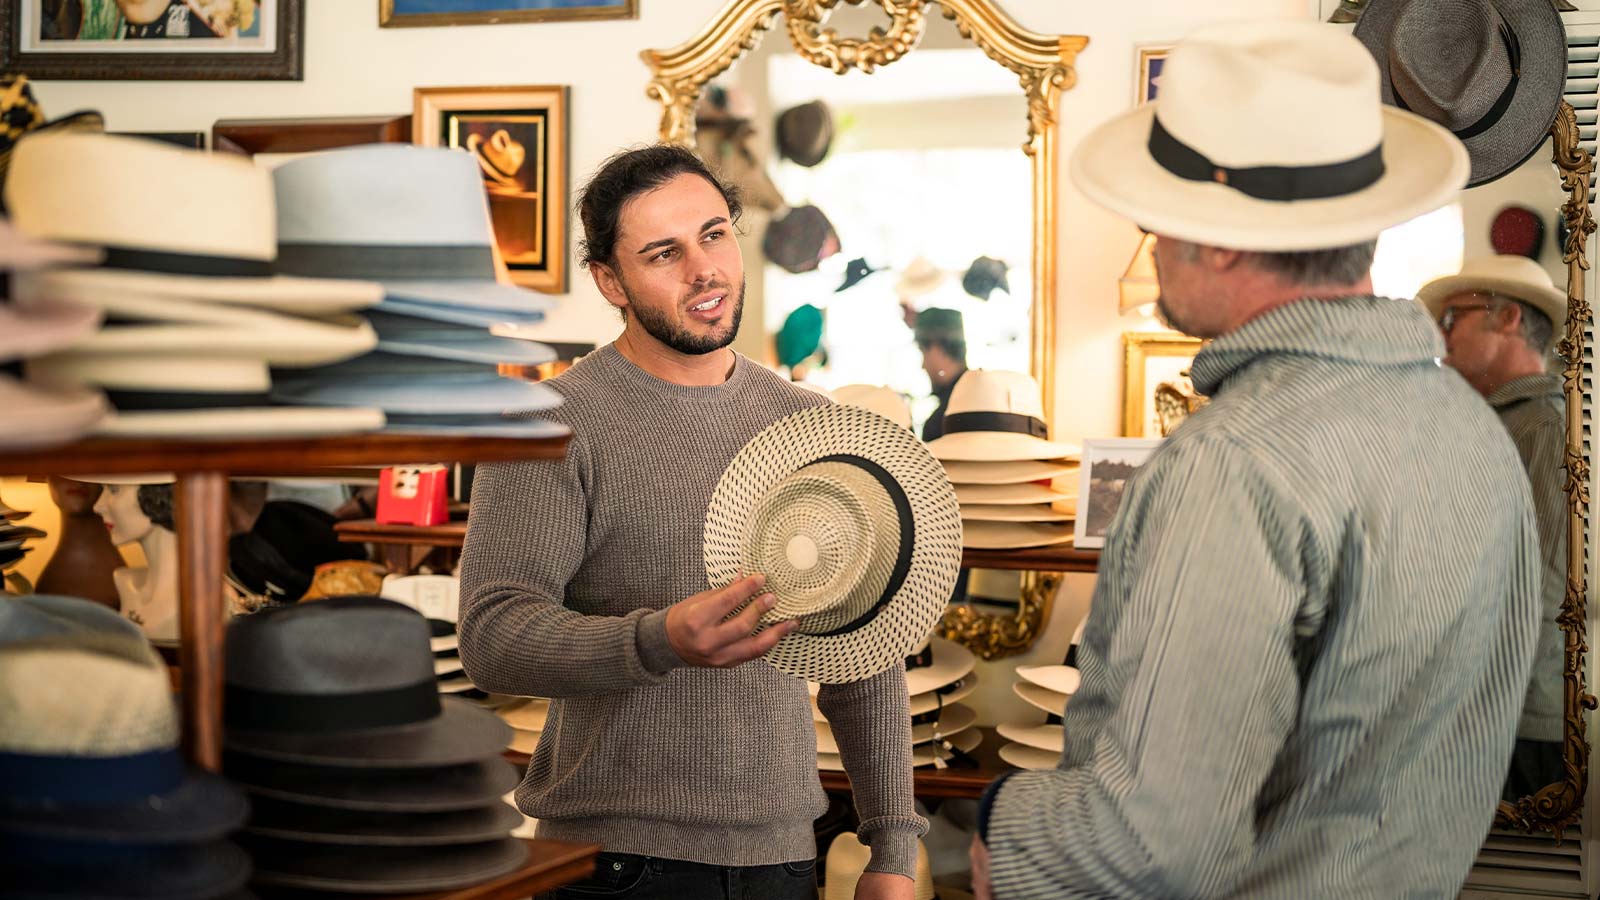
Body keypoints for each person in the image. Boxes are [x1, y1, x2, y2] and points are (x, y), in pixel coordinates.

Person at [971, 23, 1539, 899]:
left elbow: (1150, 842)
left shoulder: (1234, 461)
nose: (1149, 232)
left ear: (1224, 237)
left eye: (1162, 208)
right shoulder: (1471, 431)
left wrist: (999, 825)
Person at [458, 144, 924, 900]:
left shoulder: (813, 425)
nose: (703, 269)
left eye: (714, 235)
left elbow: (863, 653)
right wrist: (660, 640)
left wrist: (893, 847)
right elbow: (493, 637)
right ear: (610, 280)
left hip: (782, 861)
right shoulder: (546, 424)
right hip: (611, 866)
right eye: (663, 253)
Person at [1420, 256, 1569, 798]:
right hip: (1486, 710)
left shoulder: (1545, 427)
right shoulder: (1500, 423)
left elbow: (1547, 587)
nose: (1443, 334)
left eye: (1453, 317)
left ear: (1507, 318)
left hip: (1518, 719)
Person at [913, 308, 967, 441]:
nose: (923, 366)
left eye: (923, 352)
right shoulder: (985, 396)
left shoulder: (939, 422)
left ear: (939, 349)